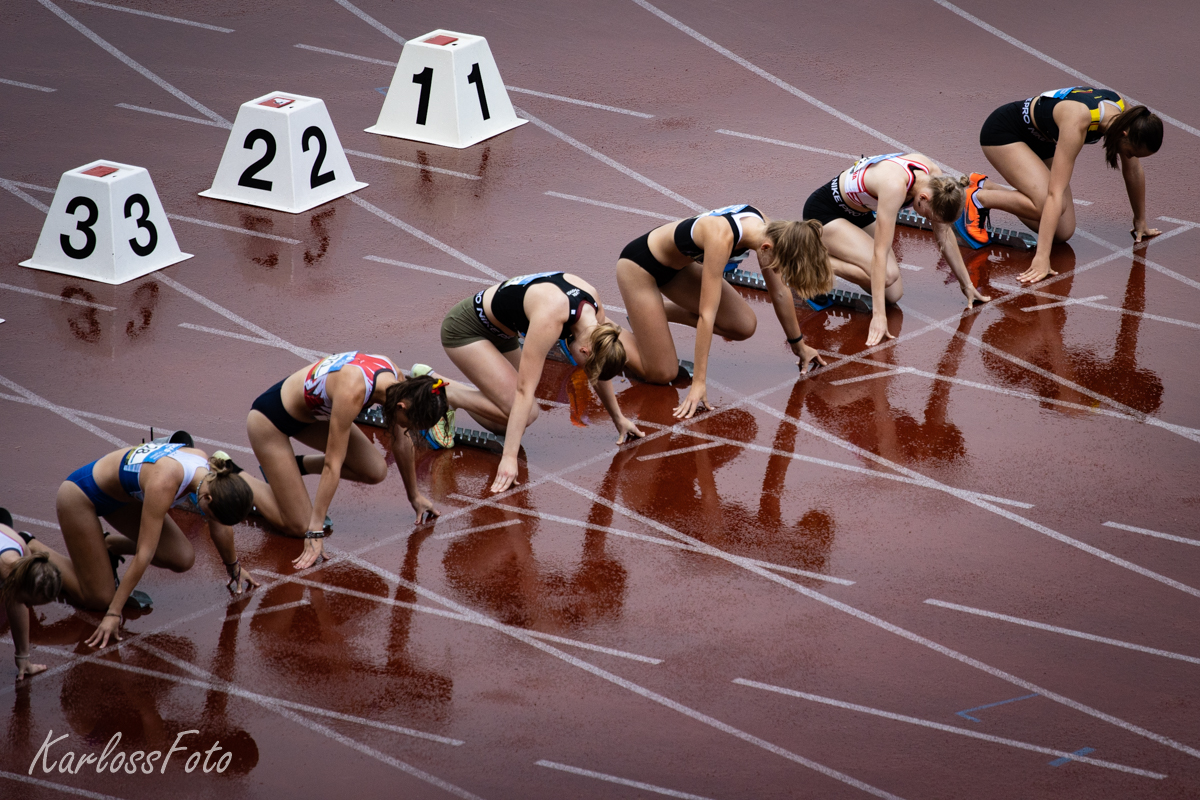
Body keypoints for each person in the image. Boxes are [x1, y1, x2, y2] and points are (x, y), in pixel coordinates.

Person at [617, 205, 831, 418]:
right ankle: (609, 331)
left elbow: (781, 293)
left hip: (678, 269)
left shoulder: (767, 229)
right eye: (777, 267)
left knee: (743, 325)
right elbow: (706, 315)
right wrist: (699, 383)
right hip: (640, 268)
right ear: (766, 248)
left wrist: (799, 345)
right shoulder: (721, 237)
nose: (776, 272)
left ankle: (650, 316)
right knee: (663, 373)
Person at [440, 272, 643, 492]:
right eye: (584, 365)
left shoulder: (596, 319)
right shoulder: (550, 320)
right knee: (527, 412)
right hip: (467, 331)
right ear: (585, 350)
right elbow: (523, 391)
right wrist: (509, 458)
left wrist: (618, 418)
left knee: (506, 422)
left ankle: (466, 395)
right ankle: (447, 393)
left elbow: (598, 366)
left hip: (504, 331)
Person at [247, 352, 449, 568]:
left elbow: (402, 442)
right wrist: (314, 531)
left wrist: (414, 495)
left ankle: (293, 467)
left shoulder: (398, 381)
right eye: (410, 424)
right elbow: (332, 465)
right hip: (270, 421)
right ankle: (238, 479)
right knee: (300, 526)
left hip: (313, 416)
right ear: (402, 407)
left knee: (375, 470)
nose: (408, 429)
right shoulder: (353, 391)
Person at [53, 445, 259, 648]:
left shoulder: (209, 477)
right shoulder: (165, 483)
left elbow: (221, 527)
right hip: (81, 495)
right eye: (210, 515)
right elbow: (145, 553)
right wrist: (114, 613)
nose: (207, 520)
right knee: (100, 599)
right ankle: (31, 546)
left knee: (183, 557)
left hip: (124, 497)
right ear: (208, 498)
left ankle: (108, 546)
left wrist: (233, 566)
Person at [960, 87, 1163, 283]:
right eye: (1132, 152)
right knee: (1046, 204)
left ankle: (985, 187)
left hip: (1041, 139)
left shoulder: (1129, 116)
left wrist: (1140, 220)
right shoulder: (1078, 121)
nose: (1131, 157)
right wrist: (1041, 258)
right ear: (1125, 135)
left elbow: (1133, 170)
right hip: (1005, 133)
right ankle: (977, 199)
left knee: (1062, 232)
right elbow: (1054, 194)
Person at [802, 154, 991, 346]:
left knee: (892, 295)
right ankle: (809, 262)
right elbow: (879, 254)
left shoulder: (937, 182)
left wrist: (966, 283)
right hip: (824, 214)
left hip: (859, 212)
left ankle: (832, 252)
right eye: (928, 216)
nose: (928, 220)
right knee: (886, 276)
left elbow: (943, 233)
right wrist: (879, 316)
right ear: (923, 198)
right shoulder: (894, 187)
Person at [0, 508, 62, 679]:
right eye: (28, 601)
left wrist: (23, 658)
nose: (27, 606)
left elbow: (16, 600)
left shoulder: (24, 555)